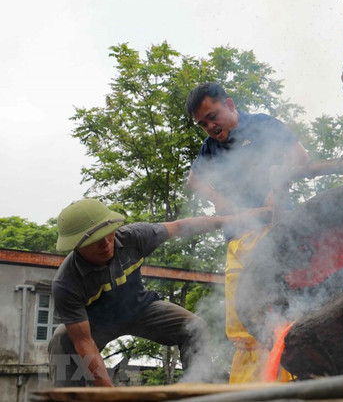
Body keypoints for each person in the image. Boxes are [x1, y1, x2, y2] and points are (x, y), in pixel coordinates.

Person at [49, 198, 269, 387]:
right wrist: (108, 391)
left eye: (108, 234)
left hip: (139, 308)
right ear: (76, 245)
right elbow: (84, 342)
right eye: (95, 241)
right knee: (62, 340)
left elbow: (180, 226)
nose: (106, 244)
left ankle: (199, 389)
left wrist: (238, 218)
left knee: (194, 327)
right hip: (96, 323)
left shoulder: (133, 237)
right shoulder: (67, 283)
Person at [185, 82, 309, 383]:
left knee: (275, 313)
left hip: (274, 233)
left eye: (213, 116)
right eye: (202, 124)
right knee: (240, 320)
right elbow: (193, 181)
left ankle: (286, 385)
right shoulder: (210, 147)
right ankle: (245, 389)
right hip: (237, 239)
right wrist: (220, 200)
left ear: (229, 104)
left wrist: (277, 187)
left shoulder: (262, 124)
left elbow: (300, 156)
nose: (210, 126)